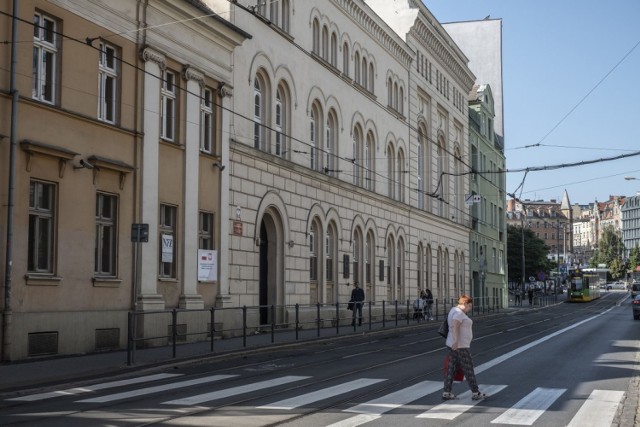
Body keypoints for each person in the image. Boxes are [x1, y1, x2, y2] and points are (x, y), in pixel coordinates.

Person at [442, 294, 488, 401]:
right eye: (469, 306)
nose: (470, 308)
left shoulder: (454, 310)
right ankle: (476, 393)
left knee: (451, 369)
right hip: (460, 346)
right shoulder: (458, 313)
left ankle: (447, 392)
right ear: (464, 303)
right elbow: (454, 325)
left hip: (454, 345)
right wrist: (455, 341)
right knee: (468, 369)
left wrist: (453, 342)